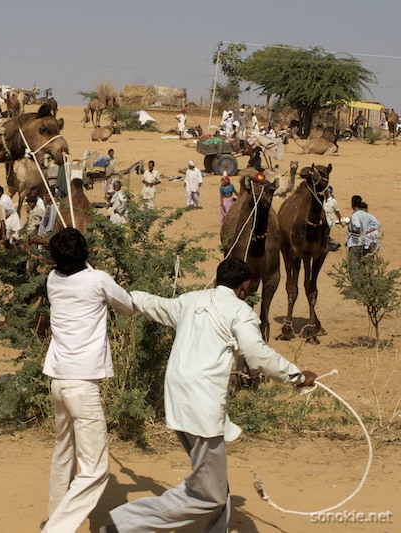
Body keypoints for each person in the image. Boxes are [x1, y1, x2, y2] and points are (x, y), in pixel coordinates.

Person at [104, 258, 317, 533]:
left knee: (214, 482)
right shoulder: (241, 312)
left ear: (216, 280)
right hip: (202, 404)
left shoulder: (190, 301)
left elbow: (153, 304)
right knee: (211, 493)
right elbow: (257, 354)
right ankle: (127, 523)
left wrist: (118, 293)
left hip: (178, 398)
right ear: (246, 286)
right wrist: (297, 376)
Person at [41, 228, 135, 533]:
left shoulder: (52, 280)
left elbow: (77, 275)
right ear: (85, 253)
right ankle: (56, 528)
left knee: (64, 452)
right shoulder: (98, 279)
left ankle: (55, 513)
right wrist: (97, 274)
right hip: (82, 385)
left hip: (58, 381)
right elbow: (129, 307)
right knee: (96, 470)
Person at [345, 195, 378, 281]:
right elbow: (378, 224)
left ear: (352, 204)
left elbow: (357, 225)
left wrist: (355, 231)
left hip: (354, 242)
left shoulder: (355, 215)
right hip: (363, 243)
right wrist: (367, 231)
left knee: (354, 266)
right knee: (362, 265)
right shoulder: (366, 214)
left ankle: (356, 286)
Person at [323, 186, 343, 251]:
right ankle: (334, 244)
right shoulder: (321, 200)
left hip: (329, 222)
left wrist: (340, 221)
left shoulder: (333, 201)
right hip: (322, 221)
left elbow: (337, 212)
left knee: (325, 235)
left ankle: (331, 245)